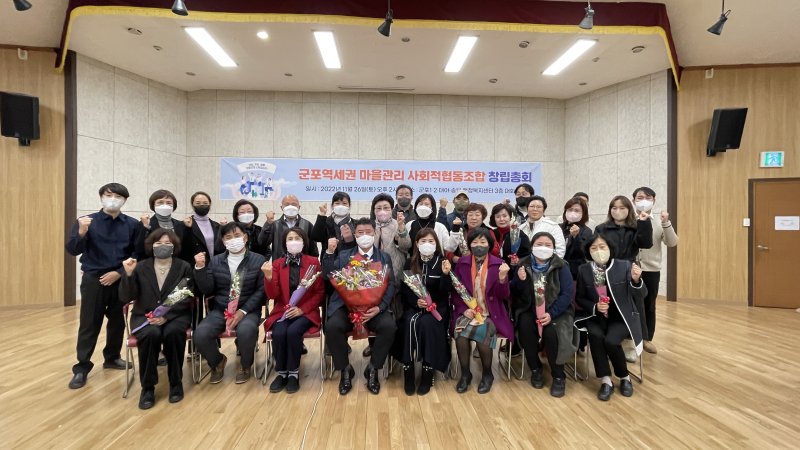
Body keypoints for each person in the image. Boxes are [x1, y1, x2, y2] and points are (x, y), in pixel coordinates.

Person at [65, 183, 141, 389]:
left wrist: (118, 273)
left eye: (118, 196)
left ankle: (112, 357)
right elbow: (73, 249)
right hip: (94, 279)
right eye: (109, 195)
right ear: (101, 197)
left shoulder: (132, 224)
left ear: (125, 200)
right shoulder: (87, 221)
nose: (113, 199)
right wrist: (81, 232)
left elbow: (136, 253)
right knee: (90, 322)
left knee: (117, 320)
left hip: (120, 278)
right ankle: (82, 366)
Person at [119, 229, 194, 409]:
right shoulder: (140, 267)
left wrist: (166, 317)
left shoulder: (184, 266)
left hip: (175, 316)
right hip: (145, 316)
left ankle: (176, 383)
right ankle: (148, 387)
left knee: (174, 333)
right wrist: (128, 274)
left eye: (167, 243)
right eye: (158, 243)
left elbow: (187, 296)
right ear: (151, 246)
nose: (163, 246)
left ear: (174, 246)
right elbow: (126, 296)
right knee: (150, 335)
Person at [322, 218, 397, 395]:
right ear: (355, 235)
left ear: (375, 234)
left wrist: (380, 307)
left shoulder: (384, 257)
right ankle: (345, 369)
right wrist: (329, 253)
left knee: (389, 327)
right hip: (346, 307)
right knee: (332, 327)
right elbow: (329, 277)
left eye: (368, 232)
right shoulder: (343, 256)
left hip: (374, 308)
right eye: (360, 233)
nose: (365, 236)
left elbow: (391, 284)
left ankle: (373, 368)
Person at [193, 222, 267, 384]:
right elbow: (207, 288)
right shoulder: (216, 261)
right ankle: (217, 361)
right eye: (228, 237)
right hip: (221, 310)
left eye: (237, 236)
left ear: (245, 238)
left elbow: (261, 291)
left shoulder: (258, 260)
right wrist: (200, 269)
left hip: (247, 309)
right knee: (200, 334)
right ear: (223, 241)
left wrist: (243, 312)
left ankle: (246, 365)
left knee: (246, 331)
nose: (233, 240)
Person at [574, 234, 646, 401]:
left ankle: (624, 377)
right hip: (596, 316)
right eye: (594, 248)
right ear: (588, 252)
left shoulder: (624, 266)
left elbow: (641, 294)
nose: (598, 251)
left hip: (620, 317)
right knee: (596, 336)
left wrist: (636, 280)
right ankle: (606, 380)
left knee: (611, 341)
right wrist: (595, 307)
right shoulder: (584, 270)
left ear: (610, 249)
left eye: (602, 247)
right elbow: (580, 298)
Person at [512, 232, 575, 397]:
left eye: (548, 245)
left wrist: (551, 313)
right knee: (525, 327)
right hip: (529, 309)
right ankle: (535, 368)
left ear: (554, 248)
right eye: (539, 244)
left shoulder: (561, 265)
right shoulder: (522, 264)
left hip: (556, 311)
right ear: (532, 246)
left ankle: (558, 375)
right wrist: (519, 280)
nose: (543, 248)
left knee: (552, 332)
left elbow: (566, 294)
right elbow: (513, 291)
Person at [263, 228, 324, 394]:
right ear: (285, 243)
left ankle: (293, 374)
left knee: (293, 331)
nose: (293, 241)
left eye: (297, 238)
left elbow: (319, 292)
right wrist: (268, 278)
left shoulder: (313, 262)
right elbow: (273, 295)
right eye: (290, 238)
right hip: (282, 311)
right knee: (280, 332)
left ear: (303, 242)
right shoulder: (276, 264)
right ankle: (281, 372)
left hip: (306, 312)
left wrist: (302, 309)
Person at [451, 228, 511, 394]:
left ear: (489, 245)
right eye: (475, 242)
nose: (479, 245)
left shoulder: (499, 264)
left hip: (491, 313)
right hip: (468, 311)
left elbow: (504, 296)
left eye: (483, 242)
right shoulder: (462, 263)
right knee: (460, 334)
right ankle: (465, 374)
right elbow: (456, 292)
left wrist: (502, 279)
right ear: (469, 244)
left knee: (481, 331)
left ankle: (487, 374)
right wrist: (463, 310)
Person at [393, 229, 452, 396]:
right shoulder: (409, 263)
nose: (427, 244)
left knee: (427, 324)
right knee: (407, 323)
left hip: (437, 308)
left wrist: (446, 275)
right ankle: (408, 369)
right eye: (423, 241)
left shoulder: (442, 263)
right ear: (417, 244)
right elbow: (405, 290)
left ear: (436, 244)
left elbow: (445, 291)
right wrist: (415, 301)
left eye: (431, 241)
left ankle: (428, 370)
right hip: (413, 307)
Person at [632, 187, 678, 354]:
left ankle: (647, 339)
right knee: (629, 305)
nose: (643, 200)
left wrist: (666, 222)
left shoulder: (659, 223)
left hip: (651, 271)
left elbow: (672, 242)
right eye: (639, 197)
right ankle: (628, 340)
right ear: (633, 201)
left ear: (654, 200)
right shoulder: (629, 221)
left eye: (647, 197)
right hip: (630, 270)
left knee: (649, 305)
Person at [259, 194, 318, 260]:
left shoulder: (307, 224)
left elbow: (313, 250)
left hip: (303, 266)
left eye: (294, 204)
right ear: (281, 207)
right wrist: (268, 223)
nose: (290, 207)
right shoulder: (274, 225)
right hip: (279, 266)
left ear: (299, 207)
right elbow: (262, 243)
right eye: (287, 204)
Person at [135, 189, 187, 262]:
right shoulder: (145, 223)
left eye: (169, 203)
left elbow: (185, 248)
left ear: (174, 206)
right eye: (160, 202)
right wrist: (145, 227)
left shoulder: (180, 225)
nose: (165, 205)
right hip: (151, 265)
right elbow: (138, 249)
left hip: (176, 265)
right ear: (153, 205)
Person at [310, 191, 356, 259]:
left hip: (351, 262)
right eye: (337, 203)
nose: (341, 206)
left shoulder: (355, 223)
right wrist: (322, 214)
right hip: (329, 262)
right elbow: (315, 237)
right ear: (332, 206)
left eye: (344, 203)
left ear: (349, 206)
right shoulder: (325, 222)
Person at [181, 191, 223, 264]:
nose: (202, 205)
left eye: (205, 203)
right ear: (192, 205)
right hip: (195, 266)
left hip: (215, 265)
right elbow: (183, 248)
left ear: (210, 204)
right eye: (198, 203)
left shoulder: (216, 225)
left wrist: (224, 228)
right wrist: (188, 228)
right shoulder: (185, 224)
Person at [560, 197, 593, 280]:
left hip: (575, 272)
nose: (572, 212)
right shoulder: (558, 227)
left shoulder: (586, 230)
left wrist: (576, 237)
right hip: (558, 269)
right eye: (570, 209)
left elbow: (583, 253)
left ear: (583, 213)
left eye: (577, 210)